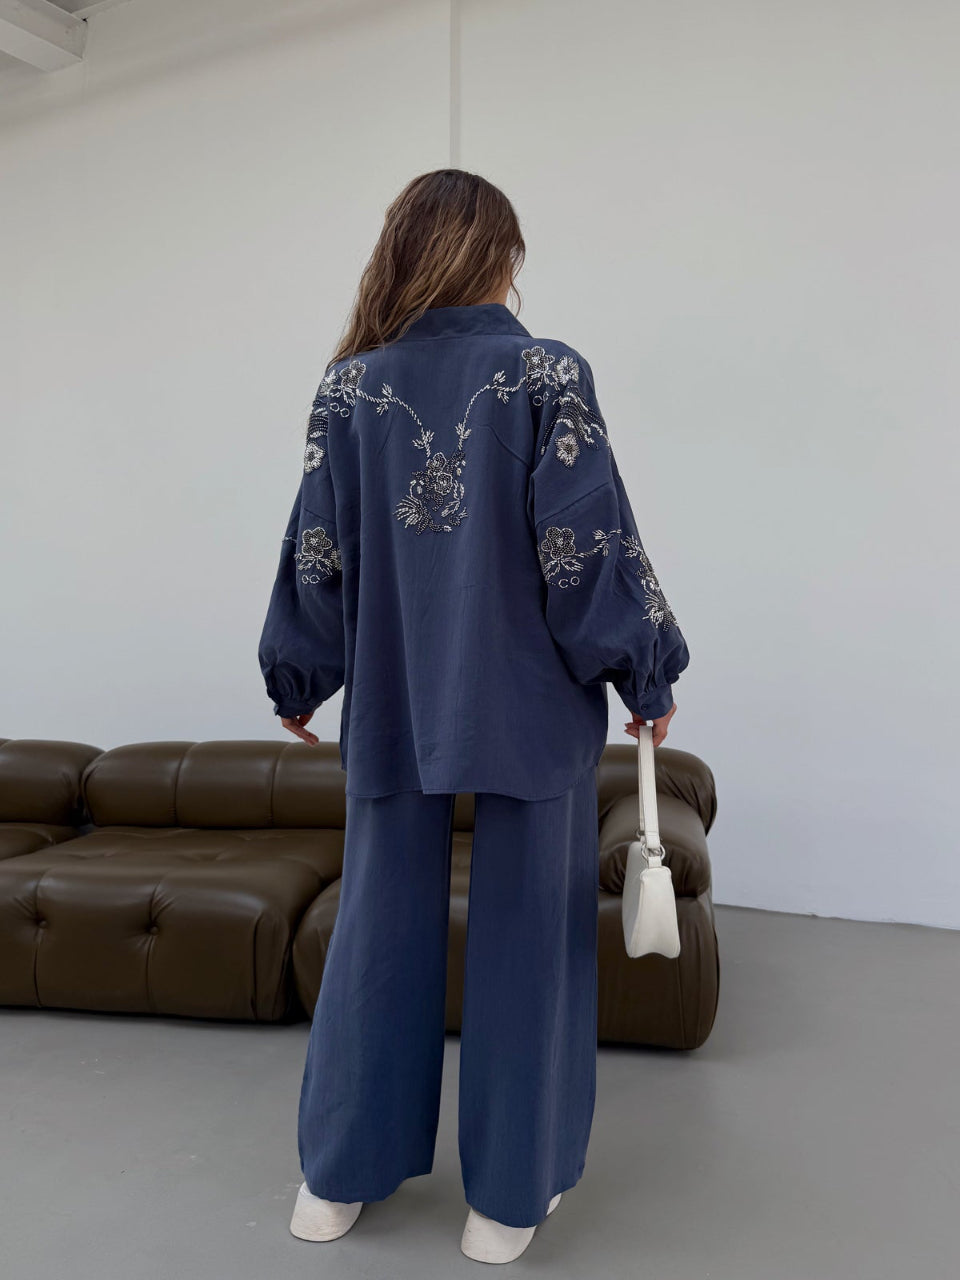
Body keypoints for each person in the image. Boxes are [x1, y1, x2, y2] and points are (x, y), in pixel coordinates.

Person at [258, 168, 690, 1264]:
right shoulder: (546, 372)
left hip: (395, 696)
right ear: (499, 255)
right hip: (529, 702)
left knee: (376, 930)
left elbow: (319, 546)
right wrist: (644, 673)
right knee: (530, 939)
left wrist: (299, 673)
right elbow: (585, 544)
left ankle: (334, 1180)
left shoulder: (350, 388)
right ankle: (506, 1199)